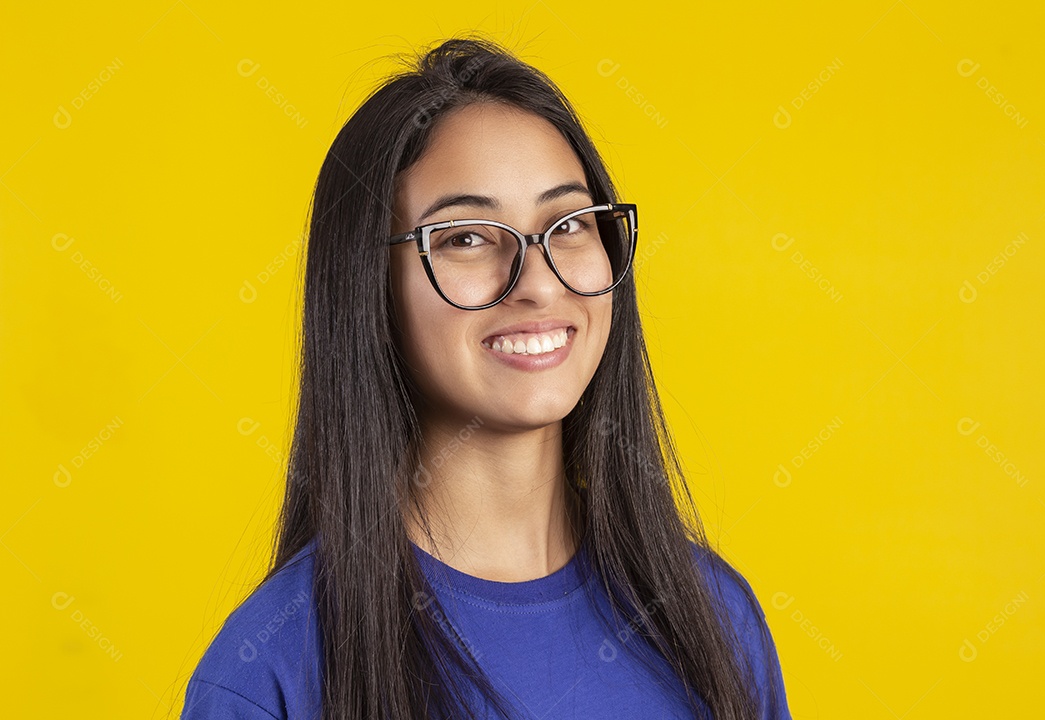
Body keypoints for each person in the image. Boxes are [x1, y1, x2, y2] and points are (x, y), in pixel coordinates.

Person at [180, 35, 792, 720]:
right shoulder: (271, 668)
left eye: (567, 225)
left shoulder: (713, 617)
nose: (536, 283)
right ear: (368, 286)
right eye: (466, 236)